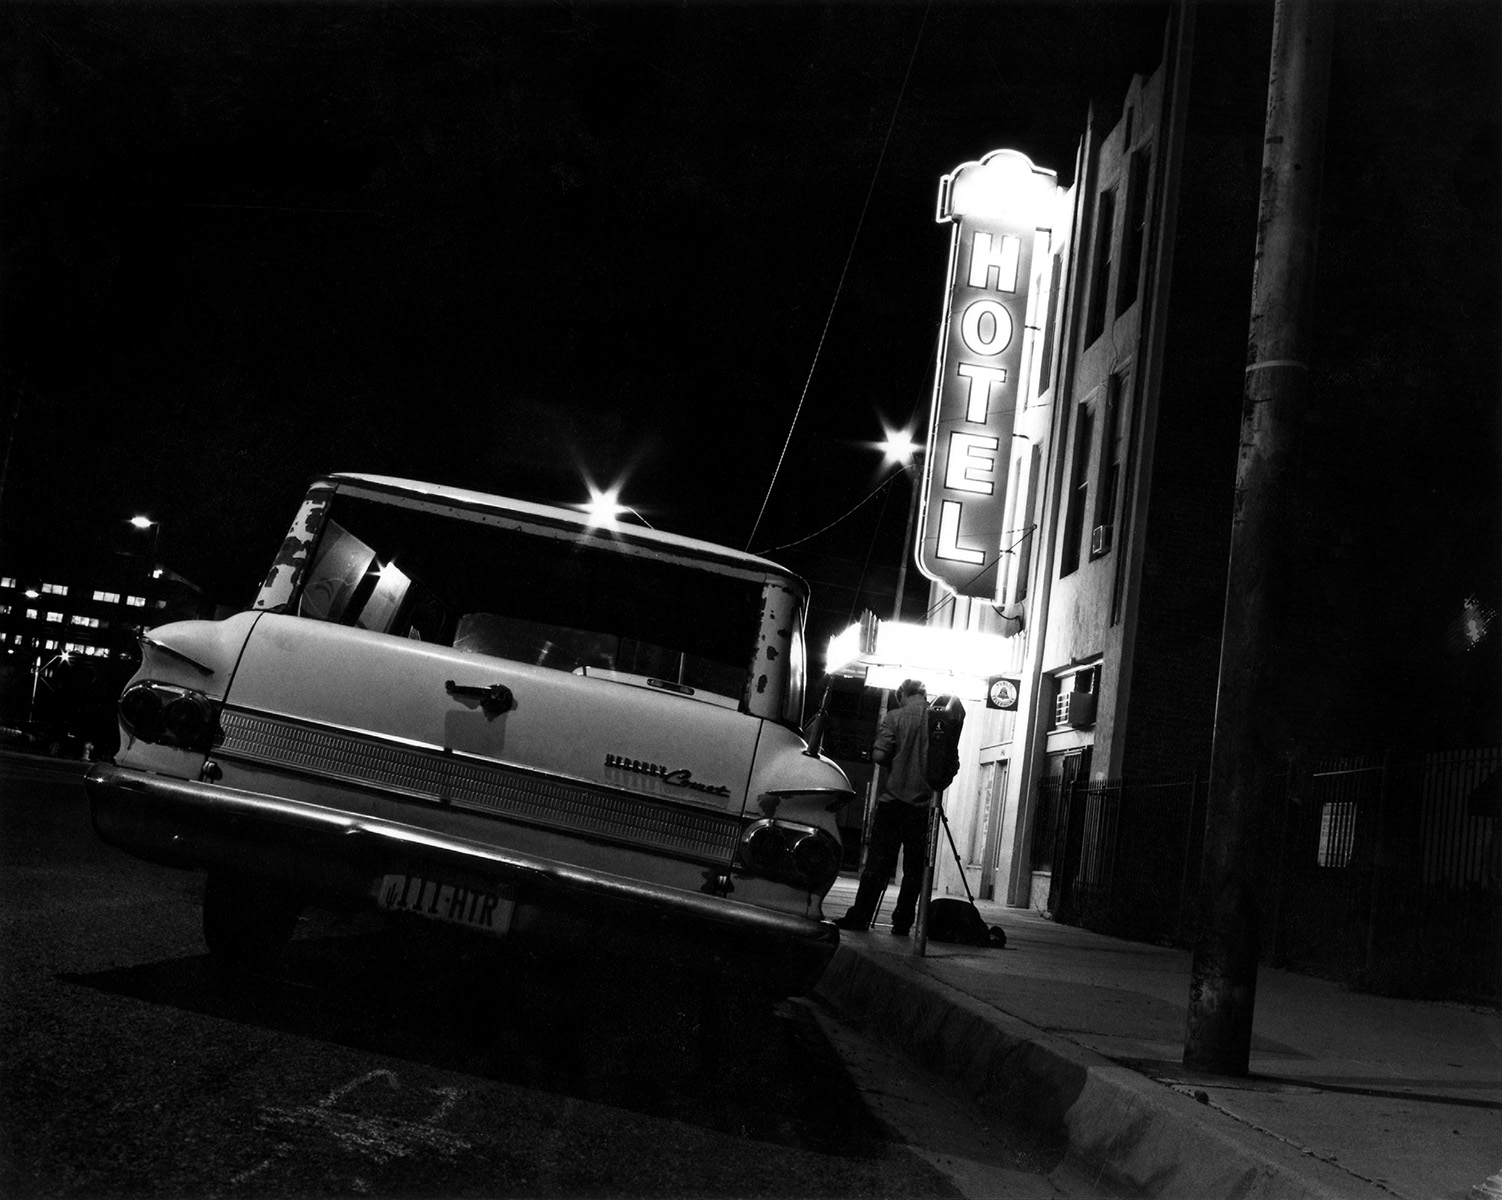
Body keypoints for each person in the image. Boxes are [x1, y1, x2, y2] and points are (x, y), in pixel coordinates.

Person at [834, 679, 933, 936]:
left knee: (877, 865)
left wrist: (894, 759)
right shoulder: (938, 721)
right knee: (913, 871)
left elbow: (879, 756)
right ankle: (902, 923)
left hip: (893, 804)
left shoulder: (894, 717)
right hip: (922, 808)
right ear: (923, 694)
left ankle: (861, 917)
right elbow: (948, 765)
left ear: (902, 695)